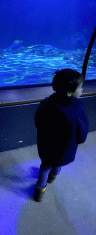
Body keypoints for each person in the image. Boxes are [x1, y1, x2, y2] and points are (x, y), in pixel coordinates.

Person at [34, 68, 89, 202]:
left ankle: (40, 191)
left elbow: (38, 119)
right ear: (70, 92)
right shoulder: (77, 111)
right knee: (57, 164)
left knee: (45, 166)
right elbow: (82, 128)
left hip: (46, 146)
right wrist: (81, 139)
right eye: (80, 87)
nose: (82, 90)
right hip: (65, 149)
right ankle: (53, 177)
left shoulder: (46, 102)